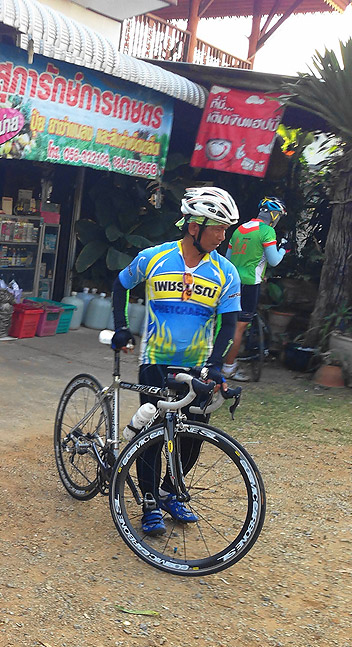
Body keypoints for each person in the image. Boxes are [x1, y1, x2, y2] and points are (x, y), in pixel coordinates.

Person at [110, 186, 242, 536]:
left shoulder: (226, 271)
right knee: (152, 434)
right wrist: (121, 327)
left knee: (193, 435)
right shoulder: (154, 257)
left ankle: (170, 492)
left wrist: (216, 365)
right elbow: (121, 284)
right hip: (156, 361)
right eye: (218, 228)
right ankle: (149, 503)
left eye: (225, 229)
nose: (223, 236)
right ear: (194, 227)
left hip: (198, 366)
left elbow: (229, 324)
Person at [222, 196, 287, 381]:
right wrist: (284, 249)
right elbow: (274, 260)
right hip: (249, 284)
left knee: (226, 323)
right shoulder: (267, 231)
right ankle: (228, 368)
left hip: (231, 281)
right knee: (239, 327)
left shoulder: (240, 229)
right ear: (274, 216)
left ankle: (216, 360)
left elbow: (228, 258)